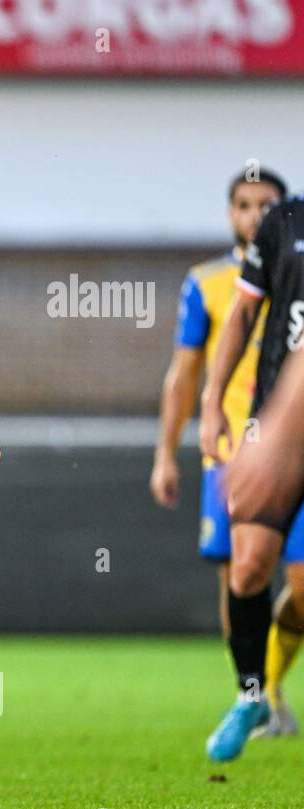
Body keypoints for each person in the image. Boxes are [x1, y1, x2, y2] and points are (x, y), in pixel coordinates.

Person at [151, 169, 297, 752]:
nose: (256, 214)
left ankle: (270, 683)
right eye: (244, 204)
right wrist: (169, 451)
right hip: (236, 450)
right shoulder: (207, 282)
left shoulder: (294, 252)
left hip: (291, 445)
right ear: (229, 212)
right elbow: (184, 373)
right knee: (240, 571)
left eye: (267, 204)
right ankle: (256, 692)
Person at [200, 174, 304, 761]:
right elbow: (242, 314)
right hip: (271, 431)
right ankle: (250, 694)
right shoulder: (285, 222)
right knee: (247, 569)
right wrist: (214, 402)